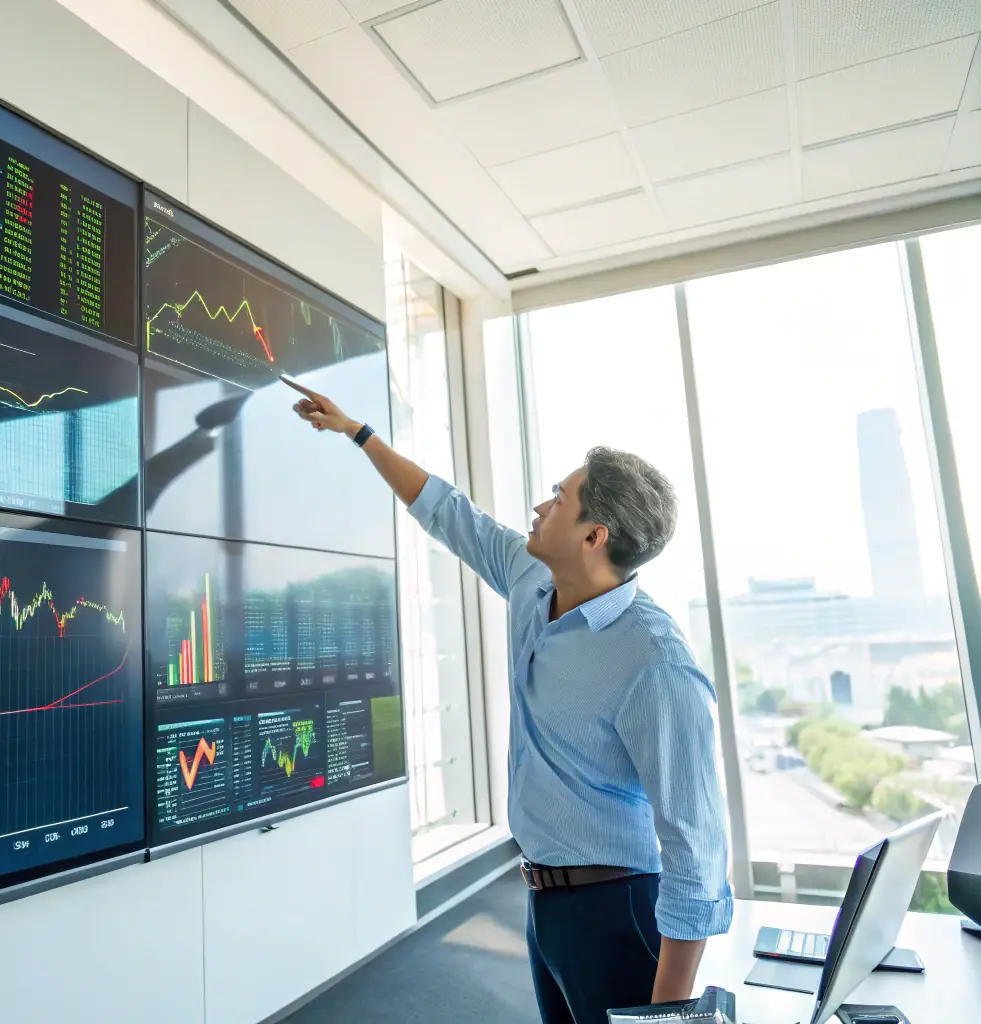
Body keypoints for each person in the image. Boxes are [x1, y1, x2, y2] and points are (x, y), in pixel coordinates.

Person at [287, 379, 733, 1024]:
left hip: (620, 910)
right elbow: (447, 511)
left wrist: (671, 1015)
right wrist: (357, 433)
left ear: (593, 536)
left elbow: (697, 848)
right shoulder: (532, 580)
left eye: (559, 497)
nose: (541, 505)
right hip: (544, 901)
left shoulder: (656, 664)